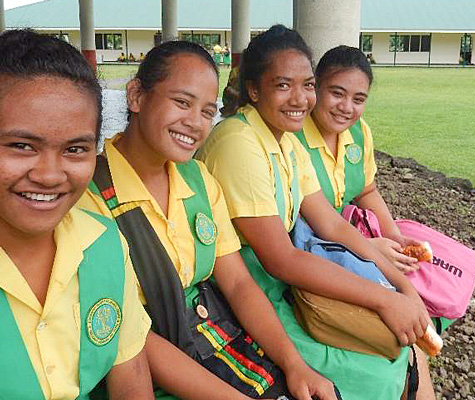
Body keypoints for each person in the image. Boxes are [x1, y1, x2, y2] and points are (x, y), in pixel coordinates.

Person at [78, 40, 339, 400]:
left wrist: (295, 365)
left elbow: (238, 285)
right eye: (182, 102)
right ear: (136, 96)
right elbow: (133, 341)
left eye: (207, 111)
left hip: (213, 343)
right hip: (144, 370)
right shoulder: (89, 197)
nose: (195, 123)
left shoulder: (198, 179)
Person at [198, 25, 431, 400]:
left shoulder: (286, 142)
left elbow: (334, 225)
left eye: (307, 85)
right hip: (239, 297)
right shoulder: (238, 143)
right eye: (283, 85)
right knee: (380, 366)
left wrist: (404, 288)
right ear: (254, 90)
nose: (300, 98)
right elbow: (280, 259)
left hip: (282, 287)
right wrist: (385, 298)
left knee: (404, 348)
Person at [0, 30, 153, 399]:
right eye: (22, 146)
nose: (50, 175)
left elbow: (130, 371)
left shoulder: (103, 242)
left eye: (75, 149)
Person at [296, 44, 436, 398]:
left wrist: (394, 236)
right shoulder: (293, 139)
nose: (347, 107)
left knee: (420, 313)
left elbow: (366, 190)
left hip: (347, 244)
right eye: (336, 93)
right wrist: (370, 249)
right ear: (315, 88)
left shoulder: (359, 134)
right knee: (400, 335)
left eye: (359, 98)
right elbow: (314, 226)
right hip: (309, 254)